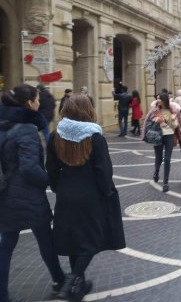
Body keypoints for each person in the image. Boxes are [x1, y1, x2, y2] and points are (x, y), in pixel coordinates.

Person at [46, 93, 125, 301]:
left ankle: (77, 285)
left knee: (74, 239)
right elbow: (103, 170)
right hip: (91, 195)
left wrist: (58, 188)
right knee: (91, 239)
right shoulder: (95, 137)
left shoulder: (55, 135)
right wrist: (106, 191)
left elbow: (51, 169)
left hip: (66, 193)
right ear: (87, 111)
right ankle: (72, 281)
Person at [0, 84, 65, 302]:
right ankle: (59, 280)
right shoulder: (27, 128)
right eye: (37, 99)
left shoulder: (4, 125)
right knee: (46, 239)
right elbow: (29, 168)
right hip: (28, 197)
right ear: (30, 103)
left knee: (6, 246)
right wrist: (48, 179)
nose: (39, 103)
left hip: (6, 194)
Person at [143, 93, 181, 192]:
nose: (158, 101)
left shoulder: (173, 110)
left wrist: (170, 119)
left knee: (167, 159)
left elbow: (176, 125)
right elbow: (149, 122)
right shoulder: (155, 110)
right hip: (157, 136)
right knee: (158, 158)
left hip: (169, 136)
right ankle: (156, 172)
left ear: (164, 100)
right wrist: (156, 120)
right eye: (157, 99)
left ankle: (165, 183)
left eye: (160, 99)